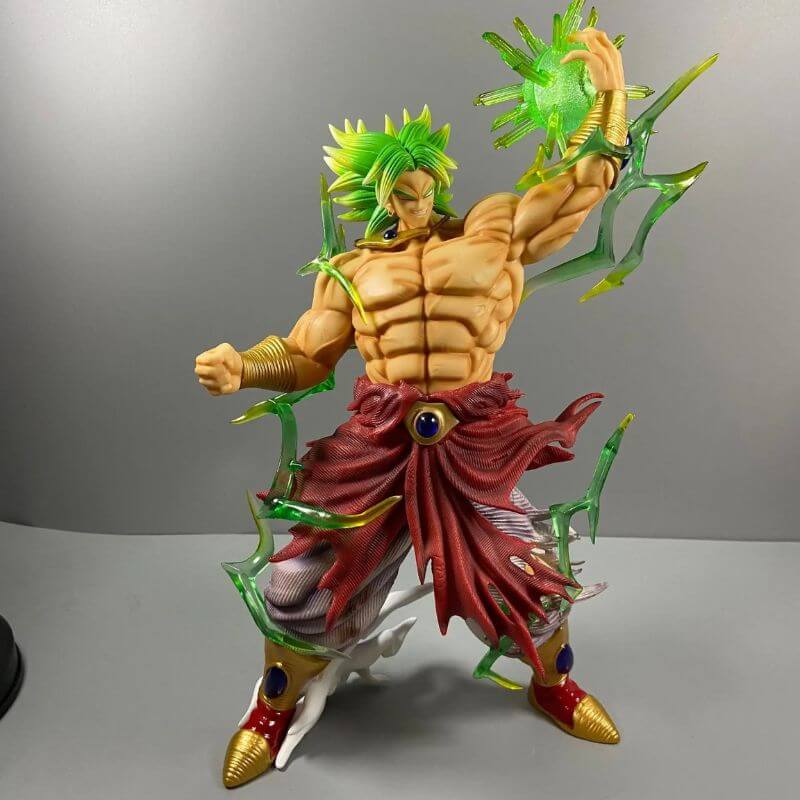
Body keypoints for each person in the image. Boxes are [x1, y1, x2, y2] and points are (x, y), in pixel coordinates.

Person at [196, 27, 627, 789]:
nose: (416, 197)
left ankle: (552, 681)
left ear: (438, 178)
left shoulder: (493, 232)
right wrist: (246, 368)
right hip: (379, 444)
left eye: (423, 181)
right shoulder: (352, 269)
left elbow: (577, 192)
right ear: (373, 196)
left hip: (472, 441)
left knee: (528, 573)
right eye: (398, 189)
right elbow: (307, 356)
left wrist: (608, 104)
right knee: (299, 586)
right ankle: (272, 707)